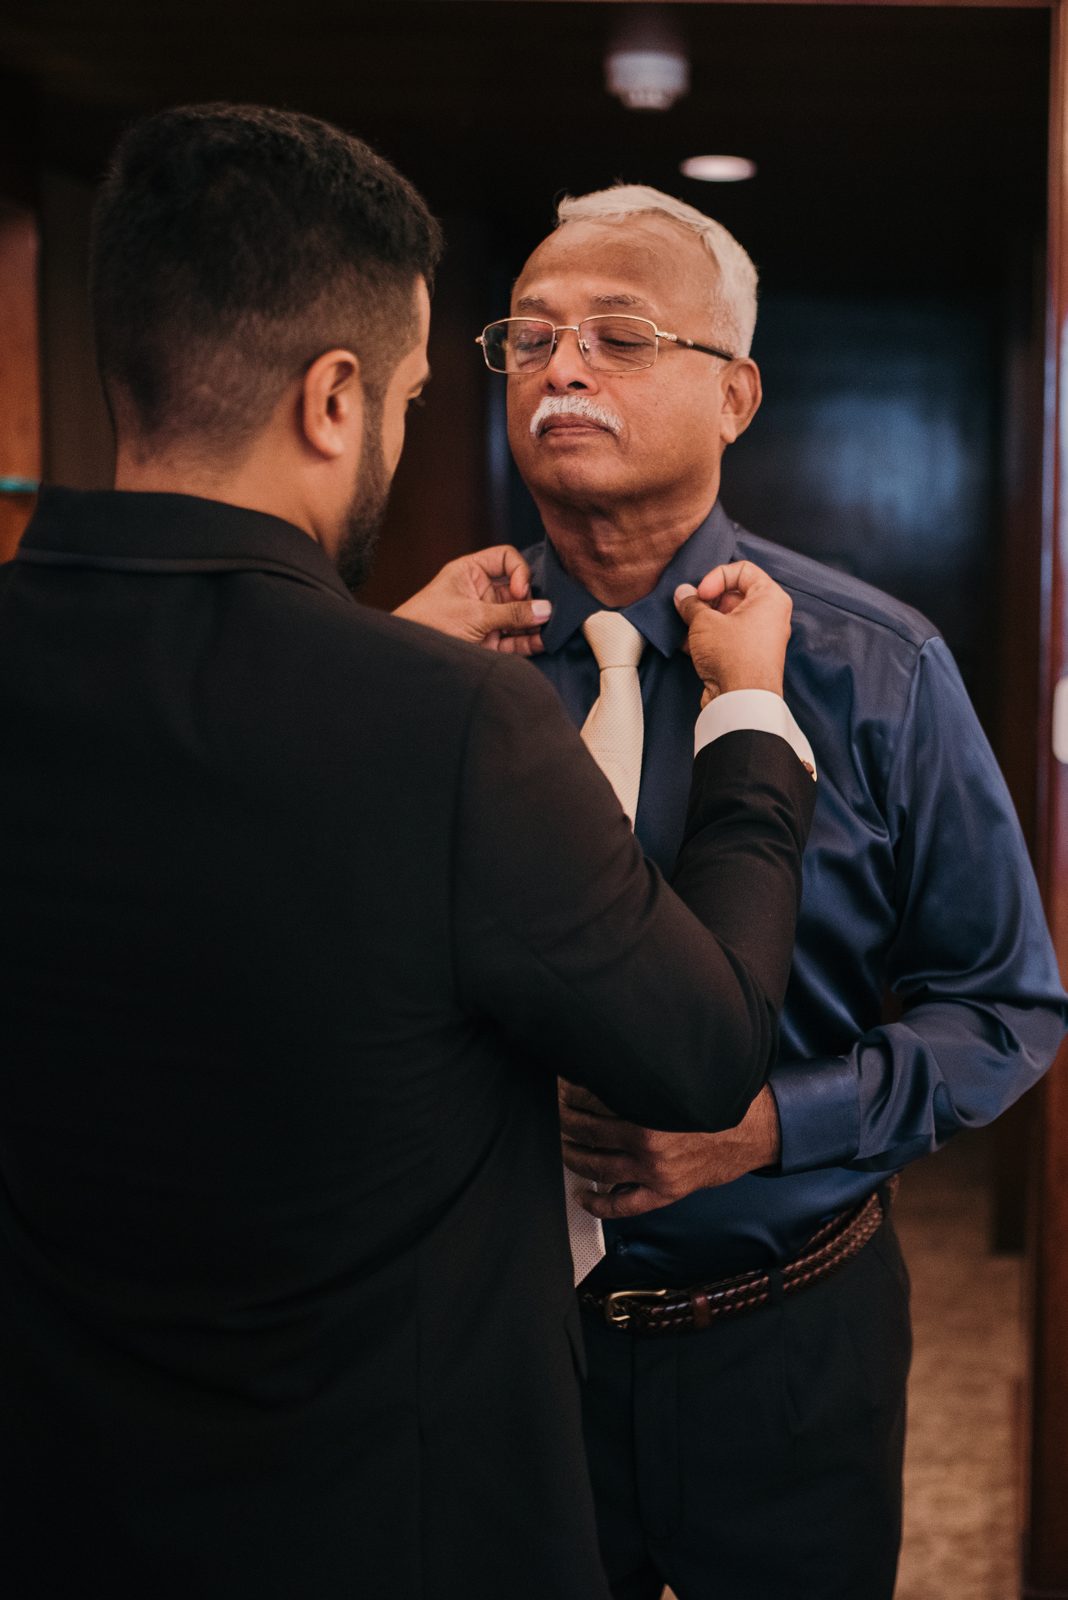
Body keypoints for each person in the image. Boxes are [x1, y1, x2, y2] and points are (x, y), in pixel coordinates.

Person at [0, 117, 820, 1600]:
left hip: (56, 1495)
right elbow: (701, 1051)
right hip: (383, 1512)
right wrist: (753, 718)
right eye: (414, 396)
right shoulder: (451, 718)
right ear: (333, 398)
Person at [400, 184, 1068, 1600]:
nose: (561, 367)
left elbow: (1007, 1010)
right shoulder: (434, 660)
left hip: (785, 1337)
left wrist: (763, 1129)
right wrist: (382, 687)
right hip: (492, 1347)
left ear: (736, 395)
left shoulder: (871, 669)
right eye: (527, 338)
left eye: (618, 336)